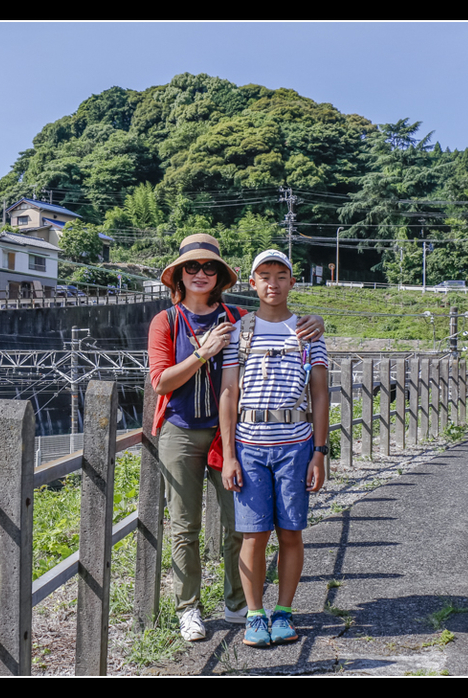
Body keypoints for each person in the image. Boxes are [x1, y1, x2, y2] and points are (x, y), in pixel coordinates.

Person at [148, 235, 325, 642]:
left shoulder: (237, 316)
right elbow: (160, 382)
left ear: (221, 276)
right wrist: (203, 352)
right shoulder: (167, 321)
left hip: (235, 435)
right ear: (178, 274)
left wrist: (316, 321)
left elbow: (277, 316)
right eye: (191, 267)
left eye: (209, 267)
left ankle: (237, 604)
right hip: (182, 430)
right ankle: (188, 608)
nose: (200, 274)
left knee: (241, 525)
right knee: (184, 525)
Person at [218, 249, 331, 648]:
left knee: (291, 533)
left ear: (292, 282)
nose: (272, 283)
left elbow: (320, 393)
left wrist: (320, 450)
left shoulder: (308, 332)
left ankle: (283, 612)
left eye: (281, 275)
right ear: (252, 283)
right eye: (264, 275)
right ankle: (254, 615)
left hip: (296, 446)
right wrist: (229, 455)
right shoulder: (239, 332)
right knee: (253, 535)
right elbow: (229, 394)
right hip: (250, 445)